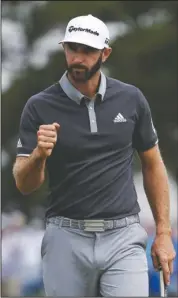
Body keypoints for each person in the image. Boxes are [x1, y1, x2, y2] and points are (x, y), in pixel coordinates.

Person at [13, 14, 176, 297]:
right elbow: (24, 184)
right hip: (65, 237)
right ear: (64, 48)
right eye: (72, 48)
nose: (78, 58)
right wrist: (39, 154)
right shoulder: (38, 106)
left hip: (123, 237)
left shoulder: (131, 99)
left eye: (87, 50)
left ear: (105, 52)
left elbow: (153, 164)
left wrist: (163, 233)